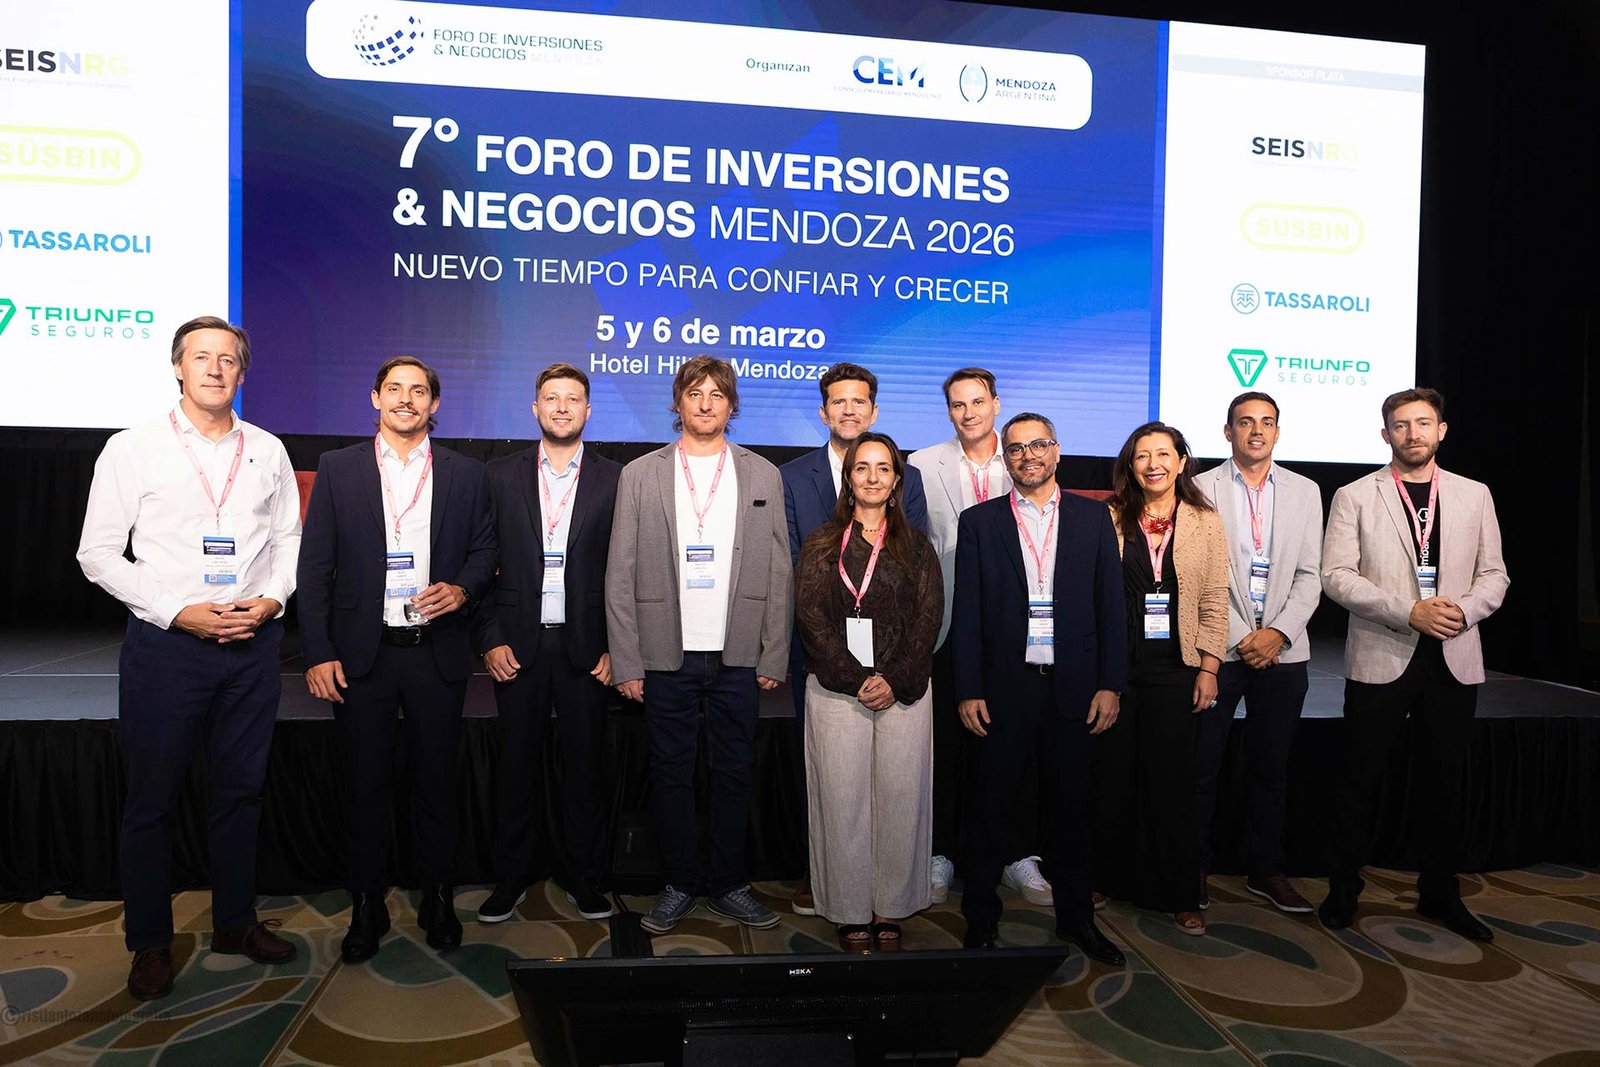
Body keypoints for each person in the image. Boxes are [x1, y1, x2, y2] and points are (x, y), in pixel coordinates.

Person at [78, 315, 301, 1000]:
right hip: (168, 648)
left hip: (252, 647)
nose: (214, 368)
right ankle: (149, 942)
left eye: (227, 358)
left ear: (242, 372)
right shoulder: (132, 448)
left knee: (240, 793)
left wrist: (273, 599)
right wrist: (177, 610)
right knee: (152, 801)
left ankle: (235, 922)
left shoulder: (267, 449)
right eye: (201, 357)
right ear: (178, 367)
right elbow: (97, 553)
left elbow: (289, 539)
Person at [297, 356, 496, 962]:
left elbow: (486, 550)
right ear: (375, 398)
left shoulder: (467, 473)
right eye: (394, 389)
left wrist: (462, 588)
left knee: (437, 783)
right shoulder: (339, 467)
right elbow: (314, 565)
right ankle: (367, 904)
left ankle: (438, 897)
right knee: (364, 786)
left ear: (434, 404)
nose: (406, 399)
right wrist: (317, 651)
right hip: (363, 656)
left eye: (418, 391)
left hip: (436, 652)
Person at [605, 355, 791, 933]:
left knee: (734, 772)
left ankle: (729, 883)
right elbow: (620, 572)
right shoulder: (641, 473)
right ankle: (680, 883)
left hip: (739, 653)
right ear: (677, 402)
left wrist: (774, 651)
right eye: (694, 393)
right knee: (671, 773)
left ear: (731, 405)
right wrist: (627, 660)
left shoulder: (763, 473)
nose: (706, 403)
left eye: (717, 394)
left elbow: (780, 568)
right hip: (664, 653)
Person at [1319, 388, 1508, 940]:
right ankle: (1343, 890)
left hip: (1453, 656)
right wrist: (1408, 611)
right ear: (1385, 435)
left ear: (1441, 431)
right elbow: (1336, 575)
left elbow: (1494, 574)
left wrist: (1462, 612)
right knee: (1358, 781)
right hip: (1382, 653)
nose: (1413, 433)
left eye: (1423, 423)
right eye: (1401, 425)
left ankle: (1440, 895)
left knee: (1444, 784)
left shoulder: (1475, 494)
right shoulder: (1355, 495)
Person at [953, 414, 1126, 964]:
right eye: (1016, 448)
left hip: (1075, 691)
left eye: (1038, 445)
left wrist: (1111, 684)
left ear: (1057, 450)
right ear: (1005, 457)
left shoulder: (1094, 518)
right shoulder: (979, 522)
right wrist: (968, 687)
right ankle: (981, 919)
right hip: (1003, 691)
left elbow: (1111, 605)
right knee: (990, 811)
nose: (1028, 455)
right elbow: (968, 612)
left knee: (1072, 813)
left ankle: (1077, 922)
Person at [474, 363, 620, 925]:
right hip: (517, 647)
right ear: (535, 408)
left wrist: (619, 647)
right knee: (515, 769)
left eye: (573, 399)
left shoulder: (617, 478)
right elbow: (480, 562)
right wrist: (489, 639)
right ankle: (511, 877)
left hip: (589, 650)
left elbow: (627, 571)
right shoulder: (498, 475)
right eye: (551, 398)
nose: (562, 407)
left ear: (588, 410)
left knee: (585, 771)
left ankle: (585, 878)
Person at [781, 362, 930, 915]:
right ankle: (825, 879)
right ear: (823, 412)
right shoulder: (792, 477)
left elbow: (919, 583)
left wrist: (894, 670)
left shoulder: (909, 480)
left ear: (873, 410)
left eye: (859, 401)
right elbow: (794, 571)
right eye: (838, 401)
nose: (849, 410)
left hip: (895, 662)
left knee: (895, 789)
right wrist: (842, 665)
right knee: (833, 781)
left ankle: (890, 895)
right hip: (823, 658)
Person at [794, 432, 943, 951]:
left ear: (897, 481)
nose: (873, 477)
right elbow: (811, 617)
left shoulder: (917, 545)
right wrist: (857, 678)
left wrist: (894, 679)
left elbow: (928, 618)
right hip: (838, 693)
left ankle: (890, 907)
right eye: (862, 468)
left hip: (904, 690)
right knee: (841, 801)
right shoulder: (821, 543)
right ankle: (848, 907)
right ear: (849, 478)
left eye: (883, 468)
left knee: (901, 800)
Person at [908, 369, 1048, 906]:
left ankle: (1016, 854)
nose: (968, 413)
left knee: (1017, 741)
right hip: (947, 621)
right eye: (957, 404)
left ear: (995, 403)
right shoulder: (922, 465)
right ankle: (941, 851)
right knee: (946, 742)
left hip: (1019, 625)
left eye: (977, 402)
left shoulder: (1023, 459)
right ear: (948, 411)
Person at [1091, 421, 1229, 935]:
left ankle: (1179, 891)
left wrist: (1210, 667)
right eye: (1142, 455)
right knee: (1112, 778)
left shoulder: (1204, 521)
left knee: (1172, 783)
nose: (1153, 464)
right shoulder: (1107, 517)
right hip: (1116, 668)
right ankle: (1104, 877)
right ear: (1130, 466)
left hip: (1178, 667)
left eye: (1163, 454)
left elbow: (1214, 598)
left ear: (1181, 462)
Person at [1192, 393, 1323, 913]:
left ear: (1277, 432)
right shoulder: (1199, 487)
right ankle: (1193, 870)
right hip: (1218, 651)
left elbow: (1311, 574)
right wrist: (1243, 636)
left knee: (1271, 769)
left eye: (1266, 422)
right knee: (1201, 767)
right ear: (1228, 432)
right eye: (1245, 422)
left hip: (1284, 653)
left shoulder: (1305, 490)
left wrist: (1279, 633)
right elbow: (1198, 574)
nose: (1256, 431)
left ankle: (1265, 870)